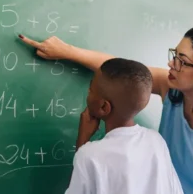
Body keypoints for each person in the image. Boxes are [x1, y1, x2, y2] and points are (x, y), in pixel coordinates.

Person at [18, 25, 193, 194]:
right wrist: (67, 52)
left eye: (181, 60)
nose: (171, 63)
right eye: (174, 54)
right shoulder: (172, 90)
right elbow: (123, 74)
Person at [64, 58, 183, 194]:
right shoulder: (156, 141)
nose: (88, 92)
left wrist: (82, 141)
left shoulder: (89, 155)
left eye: (91, 89)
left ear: (104, 107)